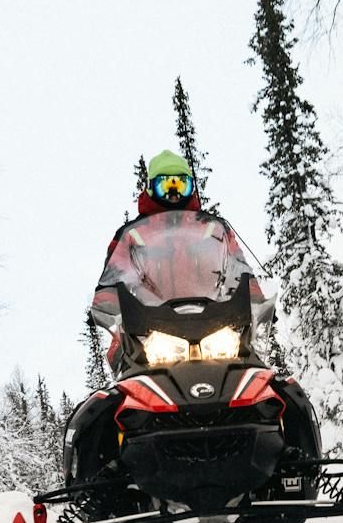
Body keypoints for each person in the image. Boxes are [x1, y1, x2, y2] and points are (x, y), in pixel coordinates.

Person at [87, 150, 271, 367]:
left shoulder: (211, 229)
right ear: (150, 187)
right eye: (165, 185)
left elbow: (238, 269)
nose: (173, 192)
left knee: (263, 378)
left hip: (214, 327)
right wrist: (106, 307)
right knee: (116, 392)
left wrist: (257, 302)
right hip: (150, 334)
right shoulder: (133, 236)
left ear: (191, 187)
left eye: (181, 184)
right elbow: (112, 278)